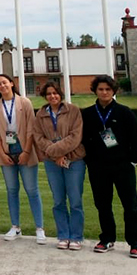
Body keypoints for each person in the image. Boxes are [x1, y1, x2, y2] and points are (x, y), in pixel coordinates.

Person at [81, 75, 137, 258]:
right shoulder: (88, 113)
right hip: (98, 167)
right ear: (95, 91)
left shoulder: (125, 112)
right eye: (101, 89)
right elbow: (83, 138)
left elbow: (135, 138)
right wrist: (90, 161)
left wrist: (133, 160)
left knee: (130, 205)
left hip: (122, 166)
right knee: (103, 204)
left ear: (113, 91)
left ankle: (135, 243)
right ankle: (107, 238)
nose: (104, 92)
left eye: (108, 89)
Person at [0, 74, 45, 244]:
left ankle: (40, 228)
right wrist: (1, 153)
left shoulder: (24, 102)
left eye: (4, 83)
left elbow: (31, 128)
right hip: (6, 151)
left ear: (12, 84)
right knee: (12, 190)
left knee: (32, 190)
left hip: (24, 149)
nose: (2, 86)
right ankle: (15, 226)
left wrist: (27, 151)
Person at [32, 81, 86, 250]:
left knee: (75, 200)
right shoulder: (40, 114)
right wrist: (55, 155)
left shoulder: (73, 111)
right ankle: (63, 235)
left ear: (60, 94)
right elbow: (38, 138)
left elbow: (75, 136)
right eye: (49, 94)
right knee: (58, 200)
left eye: (55, 93)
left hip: (74, 160)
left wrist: (57, 151)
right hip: (52, 163)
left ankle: (76, 237)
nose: (52, 96)